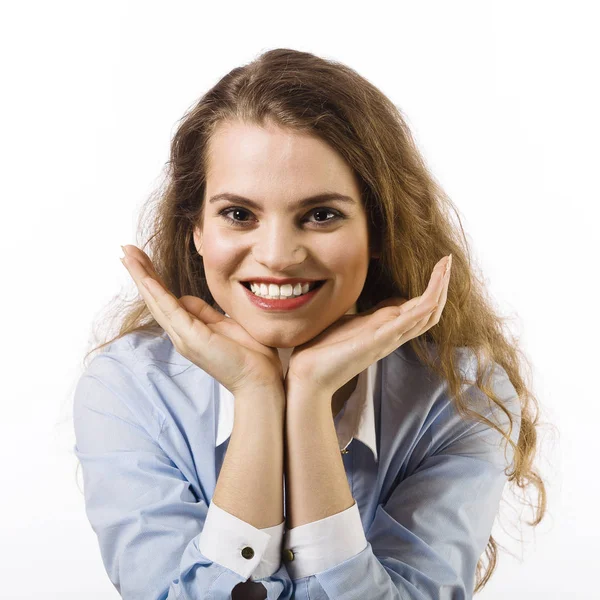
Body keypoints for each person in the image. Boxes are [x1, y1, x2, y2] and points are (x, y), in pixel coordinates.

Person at [73, 48, 547, 600]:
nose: (276, 255)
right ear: (196, 231)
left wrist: (308, 401)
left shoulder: (460, 395)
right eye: (239, 214)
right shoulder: (129, 390)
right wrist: (257, 397)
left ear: (378, 233)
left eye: (321, 215)